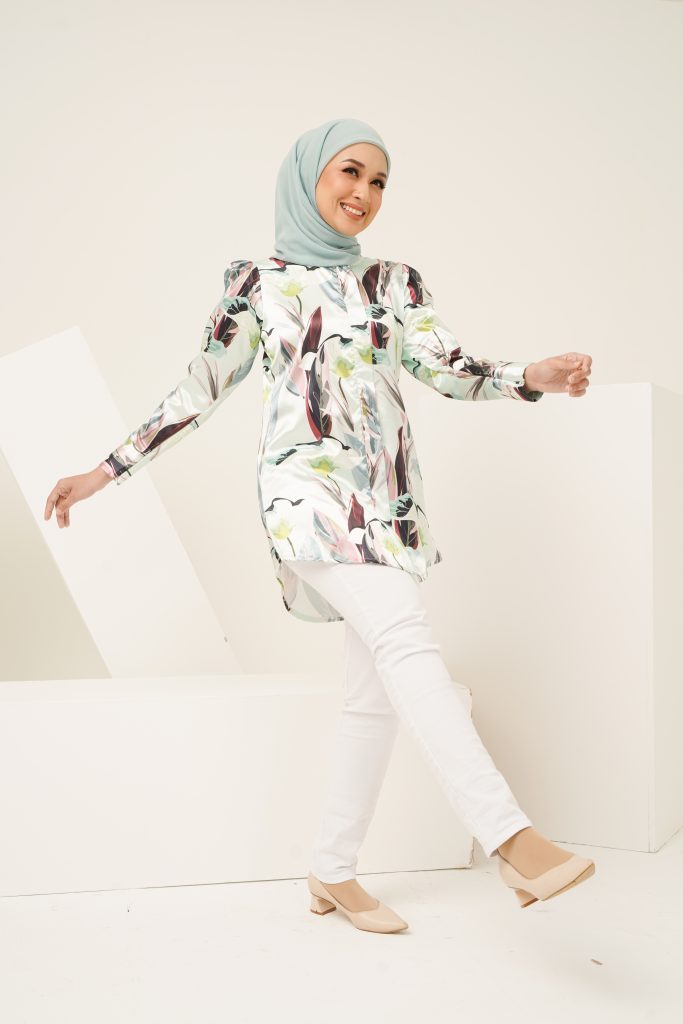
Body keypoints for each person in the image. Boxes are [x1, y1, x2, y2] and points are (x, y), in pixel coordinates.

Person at [44, 117, 594, 934]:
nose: (363, 193)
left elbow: (446, 369)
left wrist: (529, 375)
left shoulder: (395, 283)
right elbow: (198, 391)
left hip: (389, 505)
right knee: (407, 642)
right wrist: (105, 470)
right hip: (304, 497)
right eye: (349, 172)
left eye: (378, 181)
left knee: (372, 697)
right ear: (307, 177)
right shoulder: (256, 282)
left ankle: (331, 871)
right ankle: (510, 838)